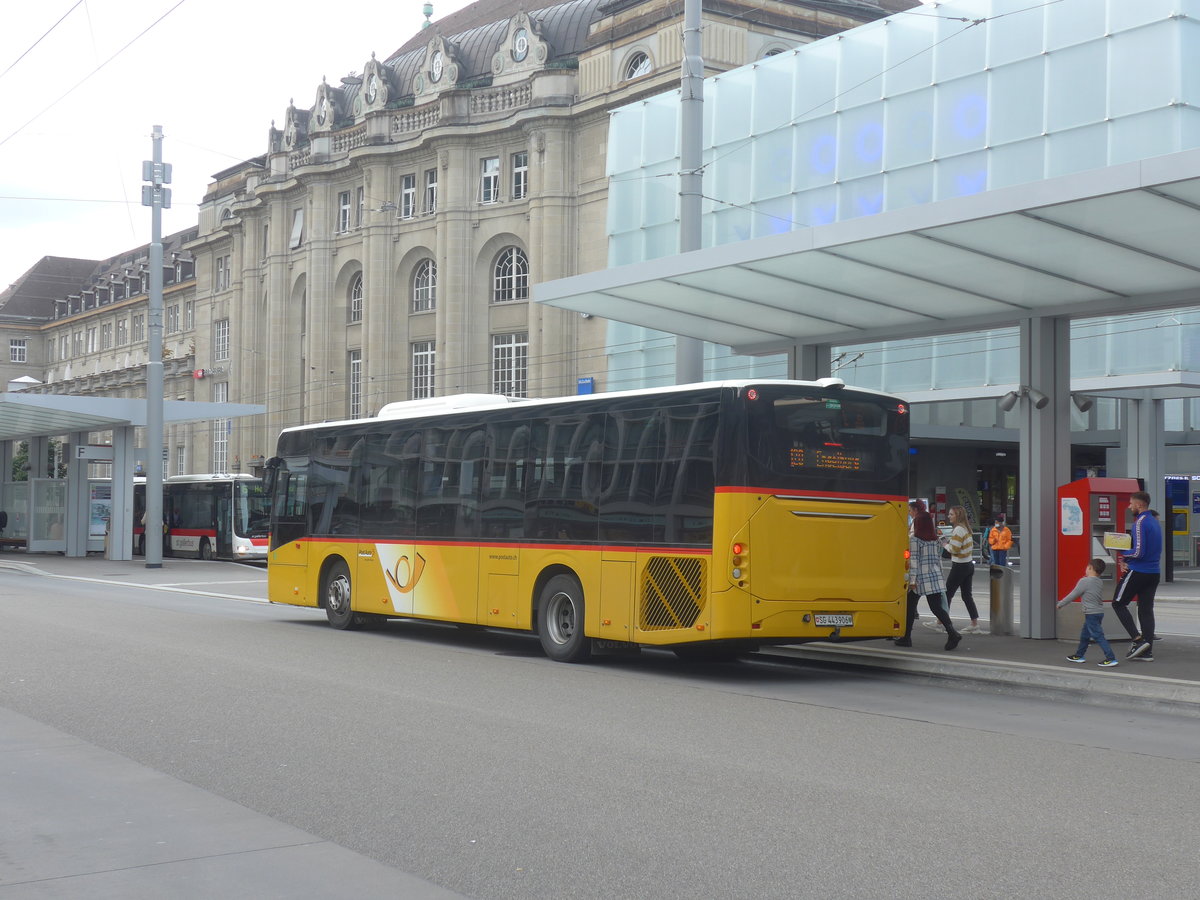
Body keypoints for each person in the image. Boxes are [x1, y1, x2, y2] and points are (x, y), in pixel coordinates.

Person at [895, 501, 962, 651]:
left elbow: (914, 561)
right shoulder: (935, 540)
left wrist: (912, 581)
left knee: (910, 607)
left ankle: (906, 637)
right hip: (934, 576)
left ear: (918, 524)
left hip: (919, 578)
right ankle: (952, 632)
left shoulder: (915, 540)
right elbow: (938, 559)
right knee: (936, 607)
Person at [1112, 490, 1162, 661]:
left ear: (1139, 505)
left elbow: (1139, 552)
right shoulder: (1155, 521)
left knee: (1118, 603)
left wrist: (1123, 553)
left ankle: (1138, 640)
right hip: (1154, 572)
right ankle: (1147, 651)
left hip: (1139, 570)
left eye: (1131, 503)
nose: (1129, 506)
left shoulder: (1140, 522)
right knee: (1146, 610)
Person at [1058, 558, 1118, 667]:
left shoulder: (1084, 581)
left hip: (1091, 613)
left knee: (1098, 636)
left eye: (1087, 567)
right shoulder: (1099, 581)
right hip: (1099, 612)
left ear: (1090, 568)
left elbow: (1073, 594)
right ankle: (1079, 655)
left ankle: (1111, 658)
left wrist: (1061, 604)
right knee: (1085, 635)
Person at [942, 505, 980, 632]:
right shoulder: (966, 529)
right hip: (968, 565)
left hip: (959, 566)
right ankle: (974, 624)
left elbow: (954, 549)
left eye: (951, 514)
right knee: (967, 596)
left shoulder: (958, 530)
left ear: (957, 516)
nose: (949, 516)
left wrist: (945, 544)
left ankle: (942, 622)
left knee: (947, 594)